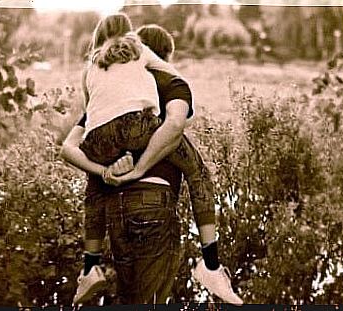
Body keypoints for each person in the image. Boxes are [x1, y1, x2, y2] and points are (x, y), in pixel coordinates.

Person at [61, 20, 243, 305]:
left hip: (115, 210)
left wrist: (106, 169)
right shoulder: (166, 81)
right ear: (162, 55)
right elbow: (173, 124)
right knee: (198, 172)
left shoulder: (98, 74)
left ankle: (89, 267)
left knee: (130, 299)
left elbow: (73, 142)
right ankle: (210, 264)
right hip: (152, 205)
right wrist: (141, 167)